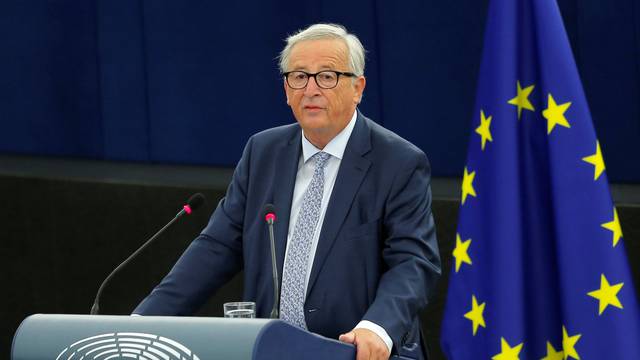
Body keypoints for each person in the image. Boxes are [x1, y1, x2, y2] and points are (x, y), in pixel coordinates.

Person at [134, 23, 441, 360]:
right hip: (270, 349)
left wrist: (377, 327)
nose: (310, 89)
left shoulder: (397, 162)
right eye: (298, 76)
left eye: (327, 76)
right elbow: (217, 247)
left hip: (352, 351)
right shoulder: (263, 151)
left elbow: (413, 261)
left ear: (358, 87)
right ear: (286, 88)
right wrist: (141, 324)